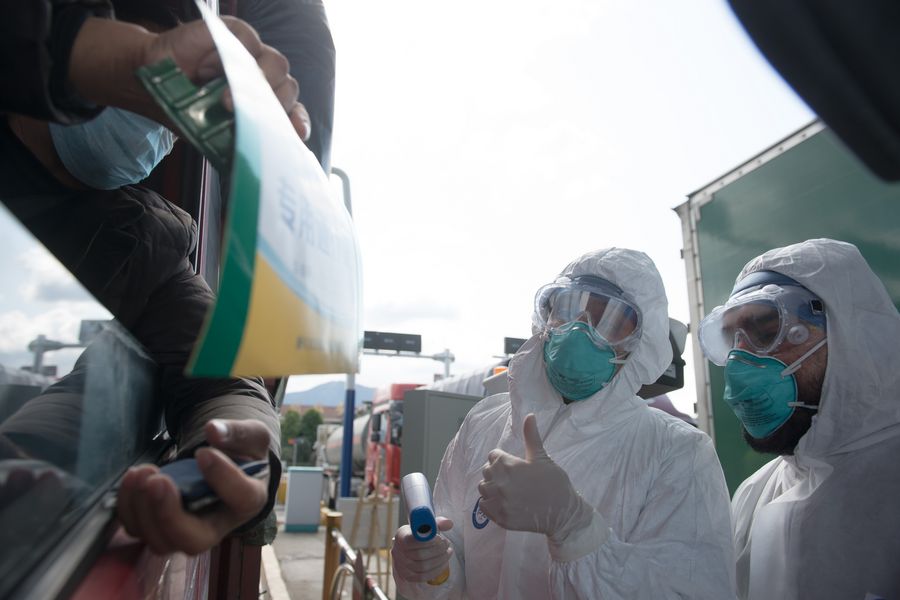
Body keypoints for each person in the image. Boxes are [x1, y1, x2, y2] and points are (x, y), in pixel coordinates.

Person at [0, 0, 319, 554]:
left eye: (176, 124)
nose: (161, 125)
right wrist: (123, 57)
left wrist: (239, 455)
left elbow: (225, 384)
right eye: (157, 87)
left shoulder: (143, 246)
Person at [391, 248, 736, 599]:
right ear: (546, 319)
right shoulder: (484, 424)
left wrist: (576, 529)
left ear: (639, 345)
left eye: (609, 322)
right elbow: (451, 550)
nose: (579, 330)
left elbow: (690, 590)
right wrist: (428, 566)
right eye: (569, 310)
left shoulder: (677, 452)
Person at [696, 238, 900, 599]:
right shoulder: (754, 494)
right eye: (732, 339)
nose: (741, 363)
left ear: (849, 334)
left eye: (766, 330)